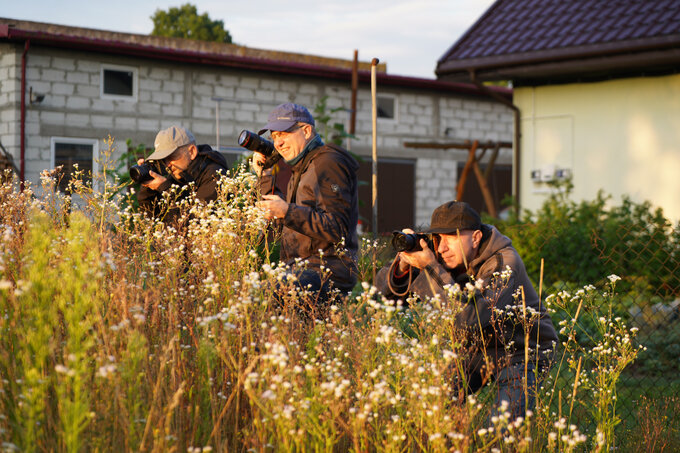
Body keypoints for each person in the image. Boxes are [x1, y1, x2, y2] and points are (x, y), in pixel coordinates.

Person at [375, 201, 559, 420]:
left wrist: (431, 268)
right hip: (476, 349)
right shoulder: (441, 255)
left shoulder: (504, 261)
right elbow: (385, 298)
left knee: (501, 426)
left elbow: (470, 318)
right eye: (438, 238)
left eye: (450, 238)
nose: (442, 248)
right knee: (429, 410)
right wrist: (403, 265)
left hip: (522, 352)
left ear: (476, 237)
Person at [252, 103, 359, 303]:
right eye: (274, 137)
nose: (278, 143)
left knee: (264, 296)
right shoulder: (302, 168)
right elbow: (288, 222)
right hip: (302, 269)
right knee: (250, 293)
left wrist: (288, 212)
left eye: (284, 134)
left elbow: (338, 228)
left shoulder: (327, 163)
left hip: (328, 270)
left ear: (306, 131)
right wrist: (265, 176)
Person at [137, 125, 229, 221]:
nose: (168, 165)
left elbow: (197, 220)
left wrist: (166, 188)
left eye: (172, 157)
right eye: (163, 160)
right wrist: (148, 184)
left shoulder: (215, 174)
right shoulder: (176, 175)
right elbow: (152, 215)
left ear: (192, 152)